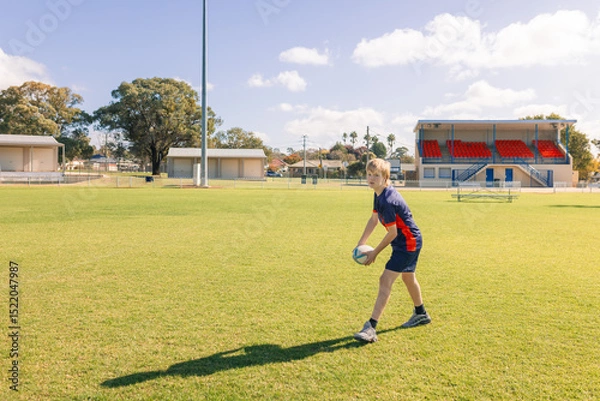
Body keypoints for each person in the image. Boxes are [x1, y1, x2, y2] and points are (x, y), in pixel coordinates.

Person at [353, 158, 431, 343]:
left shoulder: (388, 200)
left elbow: (392, 233)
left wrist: (374, 253)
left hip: (407, 242)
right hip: (407, 240)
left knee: (385, 279)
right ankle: (421, 313)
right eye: (369, 174)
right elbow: (373, 220)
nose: (371, 178)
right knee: (408, 277)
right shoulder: (378, 193)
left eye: (376, 175)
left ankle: (371, 327)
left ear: (385, 177)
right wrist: (361, 243)